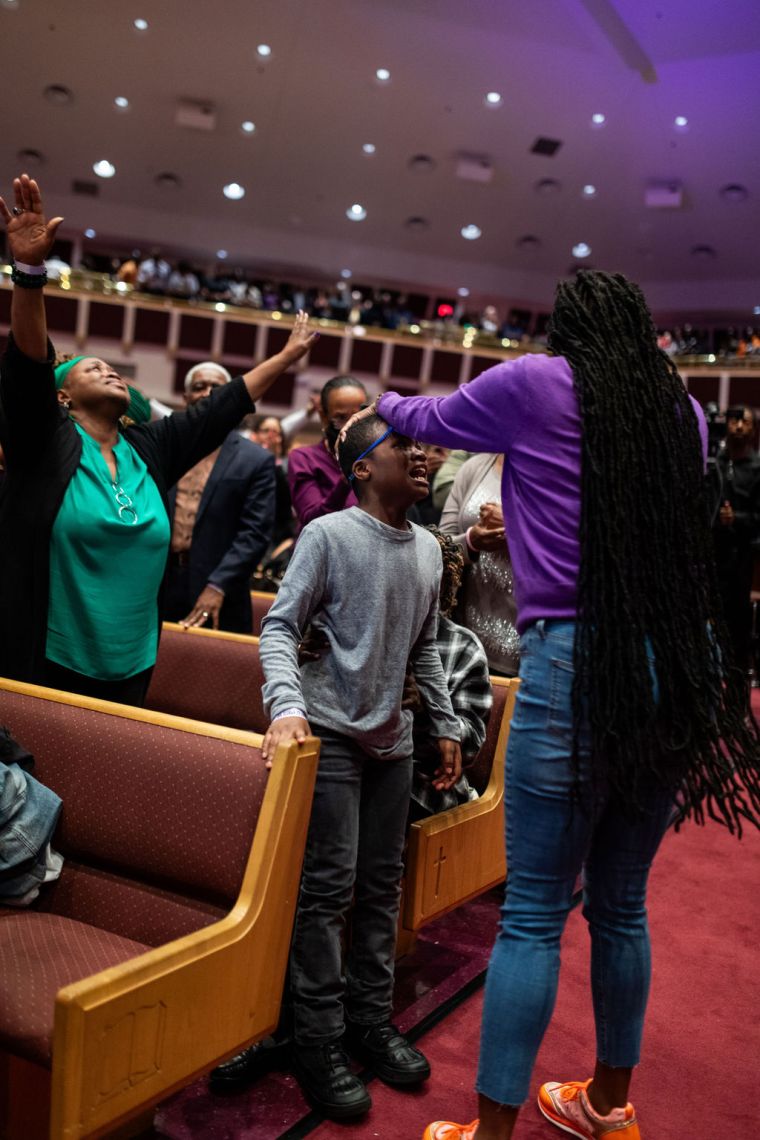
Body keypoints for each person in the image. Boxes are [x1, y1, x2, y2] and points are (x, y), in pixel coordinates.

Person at [340, 270, 760, 1140]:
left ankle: (490, 1135)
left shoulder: (535, 382)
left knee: (532, 913)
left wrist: (373, 396)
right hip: (679, 664)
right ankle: (609, 1106)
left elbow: (423, 420)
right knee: (622, 903)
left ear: (569, 330)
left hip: (579, 658)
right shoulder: (682, 413)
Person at [0, 174, 316, 705]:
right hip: (45, 657)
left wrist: (284, 360)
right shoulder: (44, 443)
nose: (110, 373)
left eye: (114, 369)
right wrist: (29, 273)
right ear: (62, 397)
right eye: (92, 368)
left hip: (132, 661)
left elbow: (219, 409)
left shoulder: (147, 450)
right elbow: (29, 366)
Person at [257, 414, 462, 1119]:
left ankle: (368, 1023)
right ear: (363, 467)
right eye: (404, 445)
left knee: (382, 888)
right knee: (327, 892)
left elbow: (426, 646)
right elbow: (281, 625)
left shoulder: (431, 548)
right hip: (332, 733)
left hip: (394, 740)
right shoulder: (328, 535)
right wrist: (284, 705)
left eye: (424, 445)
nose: (423, 454)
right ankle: (316, 1039)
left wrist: (445, 722)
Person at [162, 363, 276, 634]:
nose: (207, 393)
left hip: (220, 589)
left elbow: (255, 533)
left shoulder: (255, 460)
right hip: (158, 583)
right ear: (186, 398)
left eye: (217, 388)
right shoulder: (163, 446)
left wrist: (218, 585)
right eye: (199, 387)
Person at [408, 528, 492, 819]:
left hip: (428, 786)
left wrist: (425, 708)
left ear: (445, 589)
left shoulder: (463, 647)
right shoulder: (377, 629)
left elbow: (469, 747)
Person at [439, 453, 519, 676]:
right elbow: (440, 548)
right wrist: (472, 541)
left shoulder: (558, 471)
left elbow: (569, 545)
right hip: (469, 642)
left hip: (530, 646)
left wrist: (514, 523)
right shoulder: (475, 467)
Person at [708, 405, 760, 684]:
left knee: (737, 632)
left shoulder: (757, 468)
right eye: (734, 420)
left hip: (741, 560)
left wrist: (736, 518)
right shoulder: (714, 464)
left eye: (745, 422)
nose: (738, 426)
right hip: (713, 556)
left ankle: (737, 701)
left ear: (753, 430)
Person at [287, 374, 367, 533]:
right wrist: (345, 481)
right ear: (323, 416)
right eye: (342, 417)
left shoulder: (376, 459)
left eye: (359, 417)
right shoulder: (304, 458)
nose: (351, 426)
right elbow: (311, 520)